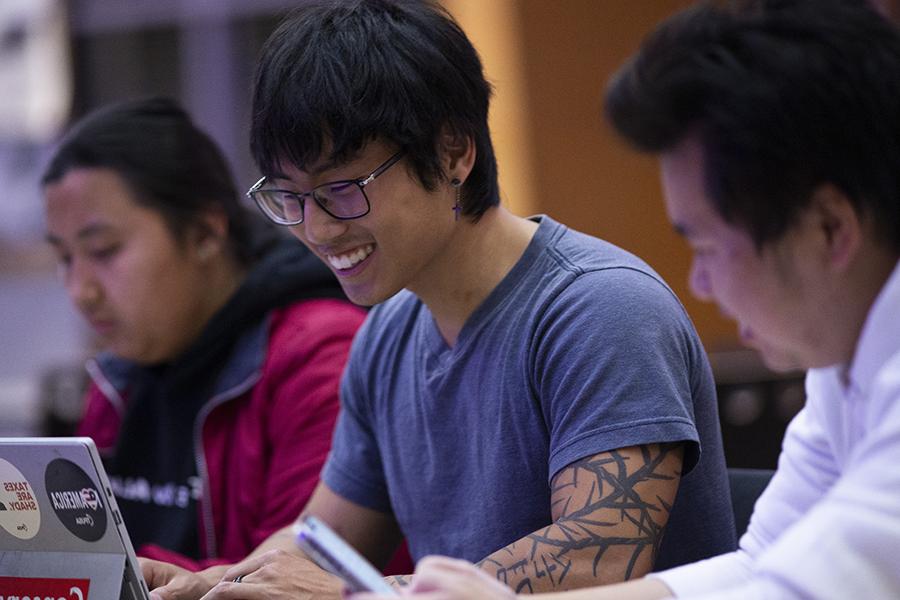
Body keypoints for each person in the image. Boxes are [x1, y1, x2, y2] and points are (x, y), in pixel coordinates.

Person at [143, 1, 735, 597]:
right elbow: (320, 540)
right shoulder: (388, 334)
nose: (316, 230)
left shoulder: (599, 308)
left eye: (343, 190)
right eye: (289, 198)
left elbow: (596, 557)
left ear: (453, 150)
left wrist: (358, 595)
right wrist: (218, 583)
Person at [351, 0, 900, 598]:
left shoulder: (601, 302)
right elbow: (762, 563)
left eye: (710, 247)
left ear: (829, 228)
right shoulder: (841, 371)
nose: (701, 284)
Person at [42, 98, 367, 571]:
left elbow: (298, 580)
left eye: (103, 250)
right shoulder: (117, 375)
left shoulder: (322, 354)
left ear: (204, 233)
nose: (81, 291)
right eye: (65, 258)